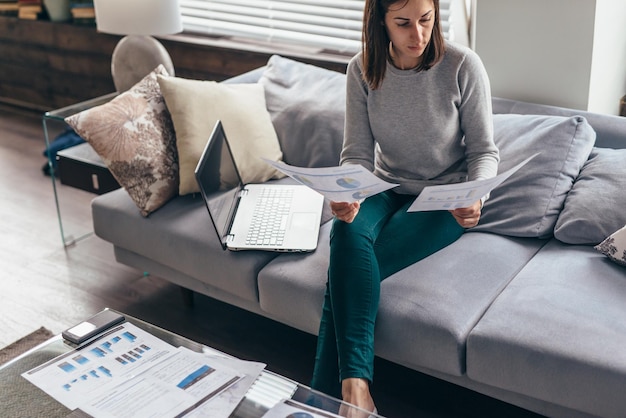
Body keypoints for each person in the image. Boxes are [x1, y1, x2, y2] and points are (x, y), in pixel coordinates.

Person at [310, 0, 500, 415]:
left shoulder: (462, 65)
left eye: (427, 20)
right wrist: (349, 193)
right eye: (403, 24)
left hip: (442, 199)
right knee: (347, 231)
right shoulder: (361, 70)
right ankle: (354, 390)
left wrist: (476, 193)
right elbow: (357, 154)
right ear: (381, 22)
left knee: (344, 272)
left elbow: (484, 151)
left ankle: (329, 398)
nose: (418, 35)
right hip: (384, 186)